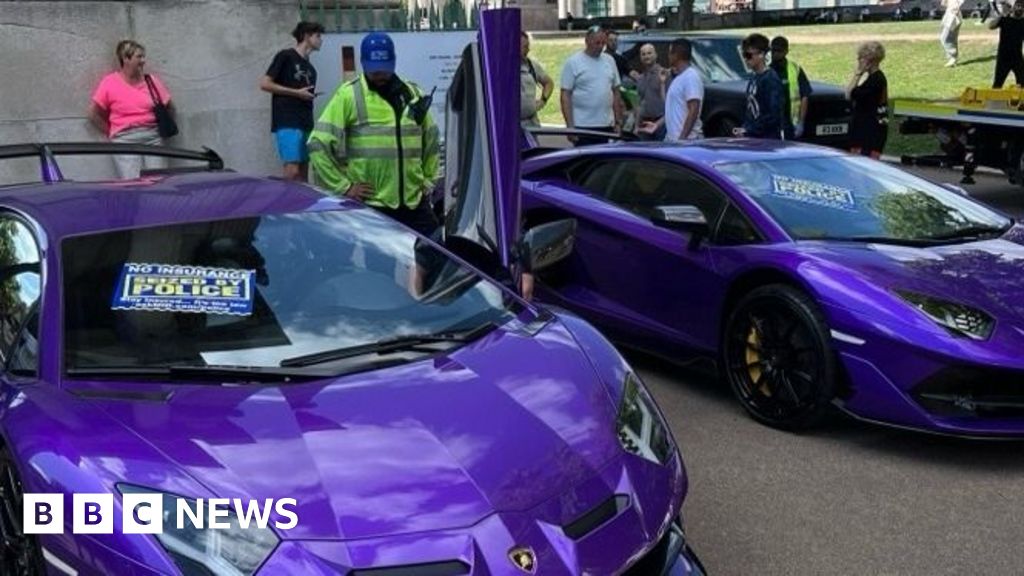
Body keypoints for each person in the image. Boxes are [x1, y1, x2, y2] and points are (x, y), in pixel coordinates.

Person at [307, 32, 440, 238]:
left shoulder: (413, 94)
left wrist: (429, 180)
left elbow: (431, 138)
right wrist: (344, 187)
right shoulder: (350, 95)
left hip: (414, 201)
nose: (379, 75)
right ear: (363, 64)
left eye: (384, 70)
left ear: (393, 62)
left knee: (437, 257)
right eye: (374, 70)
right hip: (374, 204)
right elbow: (317, 143)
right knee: (380, 268)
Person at [88, 40, 175, 179]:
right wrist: (112, 132)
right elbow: (93, 114)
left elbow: (170, 107)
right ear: (126, 59)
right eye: (139, 57)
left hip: (152, 137)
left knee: (159, 182)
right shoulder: (110, 82)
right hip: (124, 140)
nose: (143, 61)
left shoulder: (151, 81)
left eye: (143, 56)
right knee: (132, 184)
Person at [259, 21, 324, 181]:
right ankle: (288, 204)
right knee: (292, 170)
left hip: (306, 122)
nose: (321, 40)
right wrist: (296, 93)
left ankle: (303, 206)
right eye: (317, 36)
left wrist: (309, 96)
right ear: (306, 36)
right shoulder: (285, 56)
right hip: (288, 121)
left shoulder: (311, 69)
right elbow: (265, 84)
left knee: (303, 173)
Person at [560, 25, 624, 146]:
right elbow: (565, 95)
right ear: (587, 41)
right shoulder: (573, 62)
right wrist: (570, 126)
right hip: (582, 126)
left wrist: (618, 121)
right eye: (597, 43)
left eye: (603, 43)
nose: (600, 47)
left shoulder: (610, 60)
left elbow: (616, 91)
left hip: (606, 125)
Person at [645, 38, 703, 141]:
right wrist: (657, 125)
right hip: (672, 139)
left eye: (670, 53)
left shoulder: (691, 76)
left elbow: (694, 109)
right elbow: (670, 105)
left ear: (676, 55)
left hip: (687, 141)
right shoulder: (679, 78)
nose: (668, 56)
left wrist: (682, 139)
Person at [846, 41, 888, 159]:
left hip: (868, 135)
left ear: (870, 60)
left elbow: (849, 94)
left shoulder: (875, 81)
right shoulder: (875, 79)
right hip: (870, 132)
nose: (858, 61)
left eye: (860, 58)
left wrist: (858, 73)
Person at [735, 34, 782, 139]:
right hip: (753, 138)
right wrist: (745, 129)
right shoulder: (754, 77)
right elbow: (751, 111)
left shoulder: (770, 79)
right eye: (744, 55)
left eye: (748, 55)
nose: (746, 59)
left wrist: (749, 131)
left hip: (767, 140)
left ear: (761, 54)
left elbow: (773, 115)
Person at [770, 36, 813, 140]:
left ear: (786, 51)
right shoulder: (767, 71)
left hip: (791, 123)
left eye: (778, 51)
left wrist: (801, 122)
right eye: (773, 50)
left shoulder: (795, 69)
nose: (775, 54)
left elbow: (804, 96)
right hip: (773, 124)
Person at [630, 43, 667, 140]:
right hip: (644, 123)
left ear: (656, 55)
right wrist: (636, 126)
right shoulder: (640, 78)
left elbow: (671, 102)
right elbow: (640, 104)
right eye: (643, 54)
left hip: (661, 123)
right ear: (640, 57)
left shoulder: (664, 74)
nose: (646, 56)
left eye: (649, 53)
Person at [520, 31, 554, 128]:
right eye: (525, 47)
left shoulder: (531, 65)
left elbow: (549, 83)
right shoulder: (502, 67)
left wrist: (543, 100)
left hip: (531, 125)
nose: (528, 50)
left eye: (528, 46)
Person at [987, 0, 1024, 87]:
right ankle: (994, 100)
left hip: (1017, 57)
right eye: (1018, 6)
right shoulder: (1005, 19)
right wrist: (1001, 15)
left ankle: (1020, 100)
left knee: (1022, 82)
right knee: (998, 84)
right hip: (1003, 57)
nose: (1020, 8)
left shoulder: (1023, 22)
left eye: (1022, 7)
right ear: (1013, 7)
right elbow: (990, 26)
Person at [940, 0, 965, 67]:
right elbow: (944, 4)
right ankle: (953, 58)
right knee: (951, 38)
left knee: (945, 38)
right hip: (952, 14)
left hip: (953, 16)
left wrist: (954, 12)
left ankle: (952, 58)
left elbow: (955, 5)